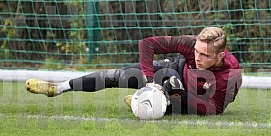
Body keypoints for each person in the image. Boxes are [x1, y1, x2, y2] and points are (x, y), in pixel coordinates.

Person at [25, 27, 242, 115]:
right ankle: (59, 88)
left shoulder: (231, 76)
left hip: (189, 97)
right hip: (173, 70)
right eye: (197, 51)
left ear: (221, 56)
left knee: (170, 89)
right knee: (119, 75)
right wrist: (149, 80)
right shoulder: (190, 45)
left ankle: (146, 101)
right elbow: (147, 44)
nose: (198, 57)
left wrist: (184, 97)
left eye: (205, 55)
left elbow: (215, 109)